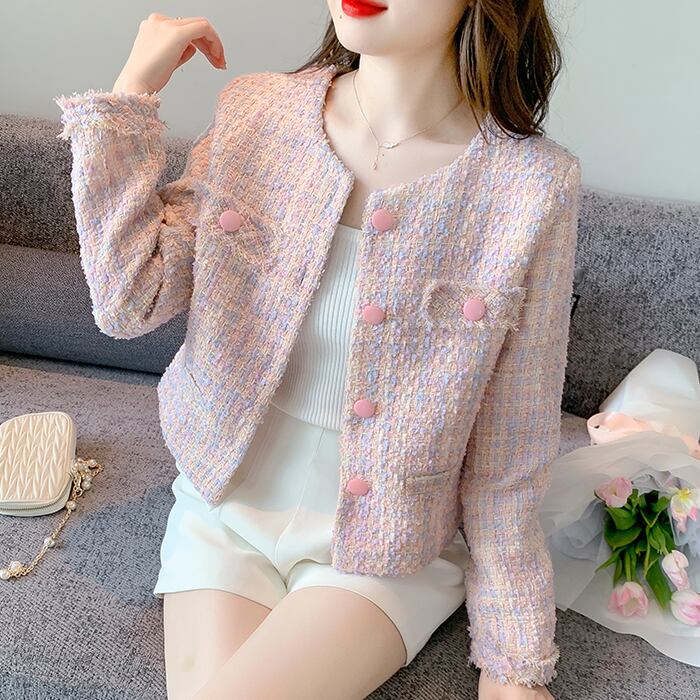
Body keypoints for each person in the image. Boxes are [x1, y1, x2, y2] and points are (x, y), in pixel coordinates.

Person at [54, 2, 581, 698]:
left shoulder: (531, 188)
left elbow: (510, 451)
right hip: (224, 505)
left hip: (389, 543)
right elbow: (131, 301)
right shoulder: (257, 112)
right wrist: (128, 99)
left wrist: (514, 666)